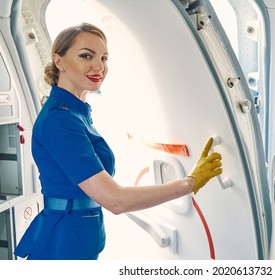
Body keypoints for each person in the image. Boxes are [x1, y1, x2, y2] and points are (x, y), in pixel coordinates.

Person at [14, 22, 222, 260]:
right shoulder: (60, 121)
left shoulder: (76, 113)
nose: (99, 66)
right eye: (86, 56)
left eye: (104, 58)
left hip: (78, 236)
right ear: (59, 61)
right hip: (63, 242)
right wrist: (189, 183)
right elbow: (115, 200)